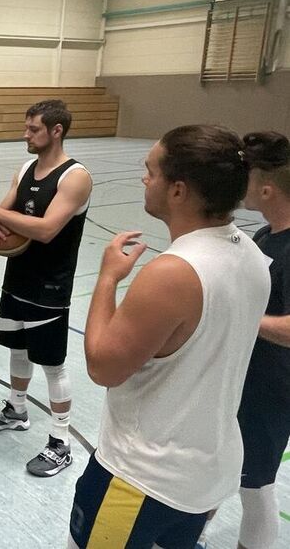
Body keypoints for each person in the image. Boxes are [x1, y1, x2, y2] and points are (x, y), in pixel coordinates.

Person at [69, 125, 269, 548]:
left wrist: (107, 279)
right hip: (206, 476)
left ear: (178, 192)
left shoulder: (174, 273)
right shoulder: (251, 253)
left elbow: (103, 366)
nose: (144, 179)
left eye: (151, 172)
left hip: (141, 479)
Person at [0, 99, 93, 476]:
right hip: (17, 278)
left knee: (53, 366)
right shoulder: (25, 168)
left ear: (56, 131)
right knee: (17, 349)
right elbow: (0, 215)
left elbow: (45, 229)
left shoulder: (75, 177)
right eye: (26, 128)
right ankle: (17, 409)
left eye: (34, 129)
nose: (26, 134)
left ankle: (61, 441)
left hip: (50, 286)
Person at [230, 131, 290, 549]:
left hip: (274, 388)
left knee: (256, 486)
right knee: (235, 474)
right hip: (250, 381)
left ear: (266, 187)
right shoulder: (266, 235)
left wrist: (241, 317)